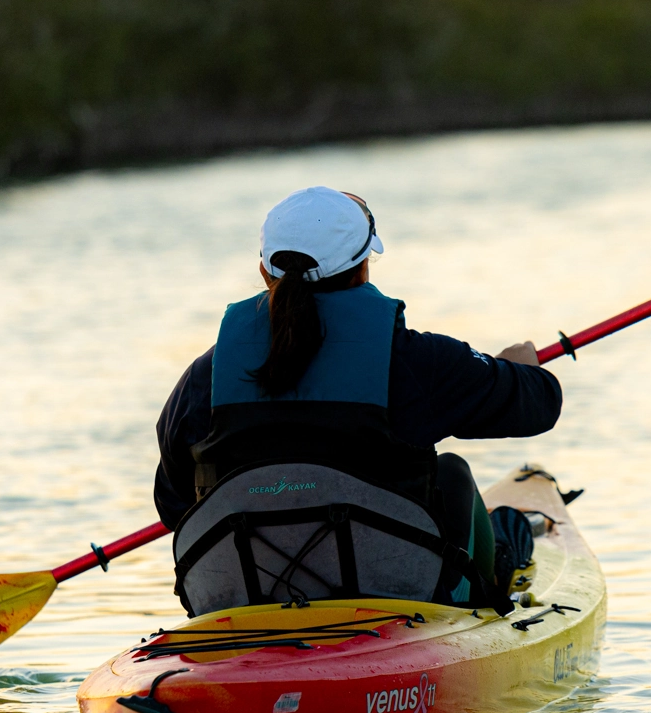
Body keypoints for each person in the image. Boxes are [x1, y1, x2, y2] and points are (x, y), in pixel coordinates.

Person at [154, 186, 560, 614]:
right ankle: (482, 597)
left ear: (263, 271)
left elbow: (175, 503)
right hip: (397, 595)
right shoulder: (416, 362)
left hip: (248, 597)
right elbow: (541, 405)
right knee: (452, 474)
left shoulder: (205, 377)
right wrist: (523, 371)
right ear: (363, 268)